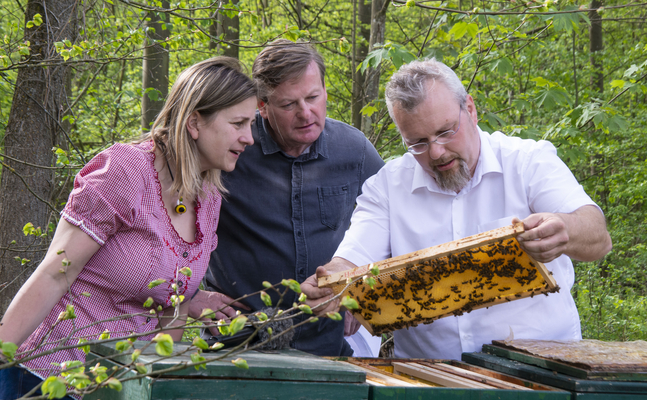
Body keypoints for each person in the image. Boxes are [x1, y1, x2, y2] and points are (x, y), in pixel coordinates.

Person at [303, 59, 613, 360]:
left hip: (541, 373)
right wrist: (329, 282)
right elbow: (353, 259)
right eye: (418, 143)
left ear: (470, 109)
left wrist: (564, 229)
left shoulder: (528, 161)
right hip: (430, 378)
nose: (436, 152)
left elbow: (598, 236)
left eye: (445, 131)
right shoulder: (387, 186)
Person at [0, 57, 257, 398]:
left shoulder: (208, 199)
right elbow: (53, 274)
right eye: (238, 123)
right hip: (49, 379)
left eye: (251, 124)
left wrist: (158, 383)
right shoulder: (124, 172)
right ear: (195, 122)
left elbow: (174, 307)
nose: (250, 138)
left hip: (118, 389)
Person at [188, 40, 384, 357]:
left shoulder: (354, 150)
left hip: (329, 345)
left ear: (325, 92)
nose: (305, 113)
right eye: (289, 104)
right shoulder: (230, 148)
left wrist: (362, 291)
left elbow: (392, 221)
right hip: (239, 343)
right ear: (261, 106)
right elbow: (167, 220)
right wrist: (189, 296)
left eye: (313, 97)